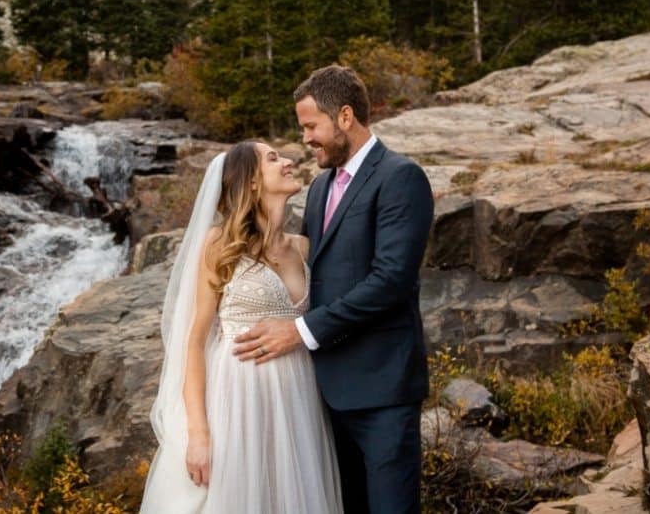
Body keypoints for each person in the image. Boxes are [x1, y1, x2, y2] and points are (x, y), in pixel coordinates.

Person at [234, 65, 434, 514]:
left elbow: (391, 281)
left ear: (345, 117)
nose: (305, 138)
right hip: (322, 394)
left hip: (383, 391)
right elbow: (311, 274)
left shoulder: (401, 178)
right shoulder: (322, 186)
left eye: (310, 126)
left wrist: (300, 331)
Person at [139, 141, 342, 514]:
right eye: (273, 158)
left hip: (297, 398)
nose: (288, 161)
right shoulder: (220, 243)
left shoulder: (303, 247)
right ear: (250, 181)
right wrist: (198, 433)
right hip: (236, 398)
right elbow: (195, 341)